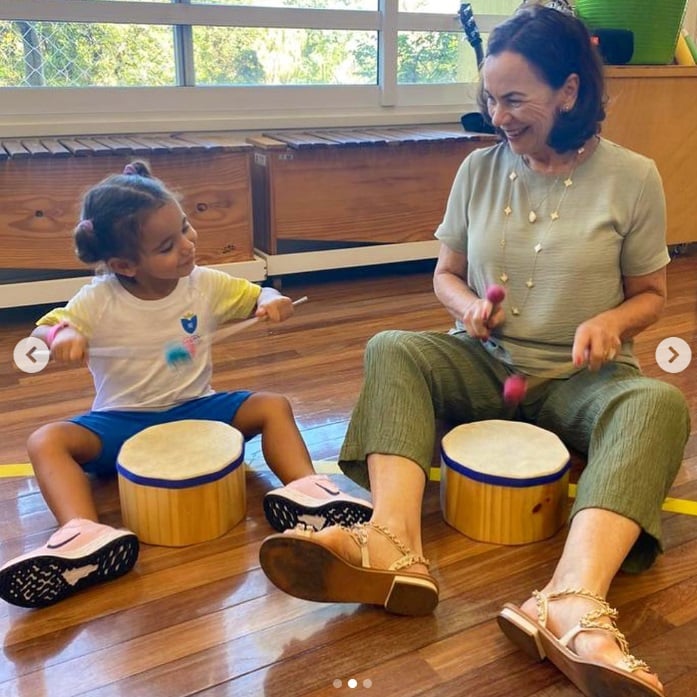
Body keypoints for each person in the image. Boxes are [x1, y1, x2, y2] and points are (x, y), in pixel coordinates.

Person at [259, 5, 690, 696]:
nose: (498, 114)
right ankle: (392, 544)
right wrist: (467, 308)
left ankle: (567, 600)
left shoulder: (633, 176)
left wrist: (612, 320)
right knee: (391, 347)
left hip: (580, 377)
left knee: (659, 403)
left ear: (570, 92)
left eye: (514, 98)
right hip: (485, 359)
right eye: (489, 98)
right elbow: (445, 272)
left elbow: (650, 291)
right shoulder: (476, 171)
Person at [0, 161, 371, 610]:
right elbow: (44, 332)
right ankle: (83, 533)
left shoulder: (203, 285)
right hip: (122, 422)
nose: (187, 245)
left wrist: (273, 300)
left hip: (199, 410)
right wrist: (63, 337)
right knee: (46, 440)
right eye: (166, 245)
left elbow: (257, 294)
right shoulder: (97, 300)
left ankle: (308, 493)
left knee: (273, 405)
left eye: (186, 227)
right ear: (124, 264)